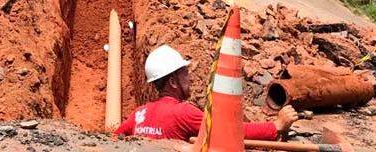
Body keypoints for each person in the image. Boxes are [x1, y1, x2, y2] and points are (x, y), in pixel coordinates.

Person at [115, 45, 298, 142]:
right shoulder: (183, 113)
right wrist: (276, 125)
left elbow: (113, 139)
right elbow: (230, 131)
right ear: (172, 81)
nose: (190, 78)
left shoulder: (139, 114)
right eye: (184, 74)